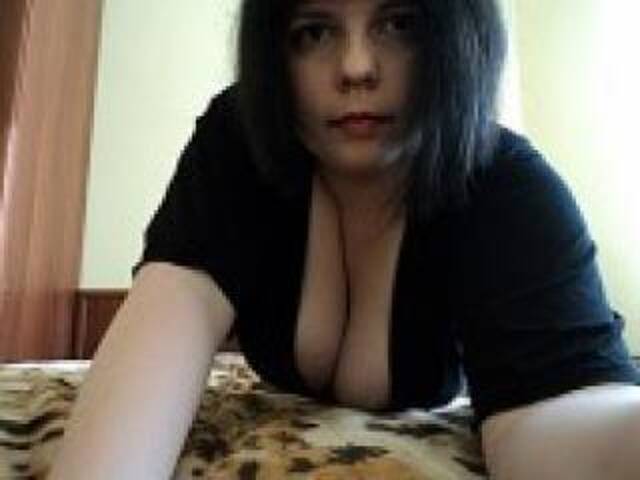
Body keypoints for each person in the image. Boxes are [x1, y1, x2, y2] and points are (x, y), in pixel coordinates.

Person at [49, 0, 640, 479]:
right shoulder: (240, 144)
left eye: (399, 24)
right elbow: (165, 317)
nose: (357, 67)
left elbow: (555, 416)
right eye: (314, 32)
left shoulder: (508, 187)